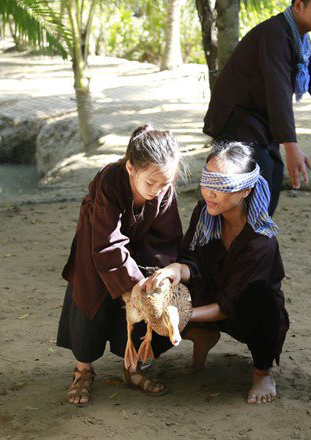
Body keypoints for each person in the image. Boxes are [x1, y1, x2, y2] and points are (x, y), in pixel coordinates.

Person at [147, 141, 289, 404]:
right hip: (210, 295)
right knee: (158, 291)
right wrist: (177, 269)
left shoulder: (261, 240)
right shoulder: (206, 212)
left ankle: (263, 372)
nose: (209, 193)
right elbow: (193, 261)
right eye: (207, 181)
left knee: (259, 299)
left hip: (246, 314)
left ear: (245, 190)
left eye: (220, 185)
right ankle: (204, 335)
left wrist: (181, 316)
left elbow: (231, 303)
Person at [203, 0, 311, 215]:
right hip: (237, 123)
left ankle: (255, 243)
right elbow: (278, 88)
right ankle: (243, 244)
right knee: (255, 188)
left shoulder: (298, 38)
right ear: (298, 6)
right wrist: (291, 145)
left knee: (271, 178)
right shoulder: (274, 34)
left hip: (260, 125)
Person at [56, 125, 183, 406]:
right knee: (90, 306)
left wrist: (153, 279)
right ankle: (83, 371)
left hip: (140, 254)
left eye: (164, 183)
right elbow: (107, 242)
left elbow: (167, 239)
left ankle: (132, 368)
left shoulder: (163, 188)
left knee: (144, 305)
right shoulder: (109, 180)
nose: (157, 190)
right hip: (97, 249)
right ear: (130, 168)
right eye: (150, 183)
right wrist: (131, 283)